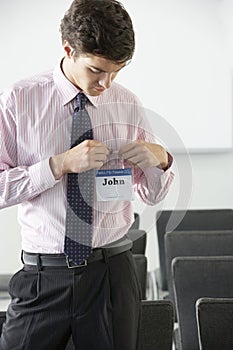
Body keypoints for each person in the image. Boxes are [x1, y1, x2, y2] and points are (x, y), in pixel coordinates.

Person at [0, 0, 174, 349]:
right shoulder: (19, 100)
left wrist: (161, 160)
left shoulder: (127, 103)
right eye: (96, 70)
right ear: (68, 50)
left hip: (111, 274)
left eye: (117, 70)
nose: (106, 83)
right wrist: (57, 165)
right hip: (43, 278)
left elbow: (151, 195)